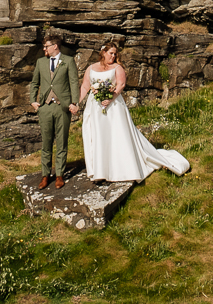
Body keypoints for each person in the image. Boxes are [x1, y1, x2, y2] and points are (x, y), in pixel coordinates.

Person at [78, 42, 190, 182]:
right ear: (103, 53)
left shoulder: (117, 68)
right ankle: (100, 171)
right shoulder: (91, 68)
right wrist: (77, 103)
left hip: (113, 106)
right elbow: (84, 86)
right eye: (110, 53)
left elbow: (121, 84)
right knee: (98, 135)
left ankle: (121, 168)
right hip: (95, 107)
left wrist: (110, 98)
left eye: (115, 53)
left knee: (116, 134)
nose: (113, 56)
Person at [28, 34, 78, 189]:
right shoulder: (41, 62)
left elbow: (74, 82)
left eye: (47, 46)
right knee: (46, 142)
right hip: (45, 107)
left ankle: (60, 175)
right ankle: (45, 175)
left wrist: (74, 102)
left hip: (62, 107)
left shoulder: (68, 61)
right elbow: (35, 82)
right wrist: (33, 101)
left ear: (55, 46)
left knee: (62, 142)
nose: (45, 49)